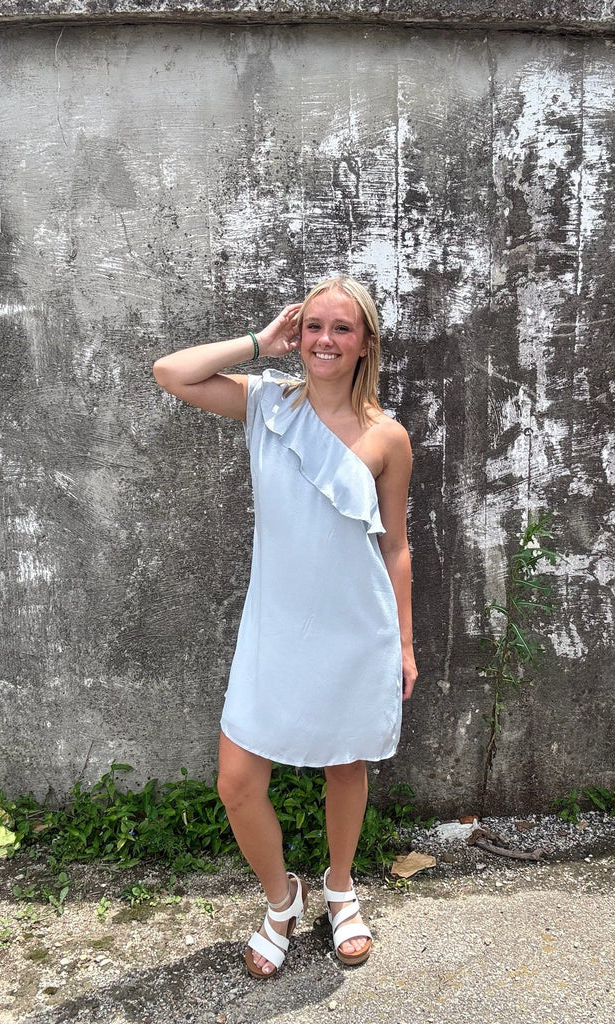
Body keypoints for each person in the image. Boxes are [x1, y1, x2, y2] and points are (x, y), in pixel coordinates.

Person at [151, 275, 417, 978]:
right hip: (273, 627)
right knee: (237, 782)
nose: (325, 340)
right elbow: (171, 372)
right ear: (298, 335)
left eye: (342, 328)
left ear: (365, 344)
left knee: (344, 765)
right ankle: (282, 900)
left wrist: (404, 642)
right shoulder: (265, 403)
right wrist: (258, 342)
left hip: (354, 629)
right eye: (314, 326)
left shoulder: (388, 437)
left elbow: (395, 547)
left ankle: (340, 888)